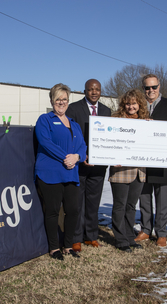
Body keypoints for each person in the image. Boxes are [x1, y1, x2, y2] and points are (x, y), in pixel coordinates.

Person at [35, 83, 87, 260]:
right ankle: (54, 248)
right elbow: (46, 142)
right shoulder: (45, 119)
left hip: (70, 172)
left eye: (64, 99)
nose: (61, 102)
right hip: (50, 172)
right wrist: (67, 157)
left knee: (73, 210)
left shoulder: (74, 124)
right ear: (52, 100)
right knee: (53, 211)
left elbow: (82, 146)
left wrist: (77, 157)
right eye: (58, 99)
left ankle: (68, 245)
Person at [135, 74, 167, 247]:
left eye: (154, 87)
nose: (151, 91)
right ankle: (146, 230)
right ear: (143, 89)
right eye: (147, 88)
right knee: (144, 197)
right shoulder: (138, 105)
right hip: (142, 160)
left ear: (159, 87)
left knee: (162, 199)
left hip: (162, 159)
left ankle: (161, 232)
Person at [65, 79, 112, 252]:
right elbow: (70, 135)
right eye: (90, 89)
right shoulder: (74, 109)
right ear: (85, 91)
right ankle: (76, 238)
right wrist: (80, 155)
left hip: (99, 167)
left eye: (97, 89)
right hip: (79, 165)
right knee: (77, 203)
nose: (94, 92)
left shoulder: (107, 111)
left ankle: (91, 236)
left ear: (101, 91)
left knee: (93, 202)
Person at [109, 89, 149, 252]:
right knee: (120, 205)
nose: (131, 107)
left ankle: (129, 237)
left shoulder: (146, 122)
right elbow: (107, 143)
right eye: (128, 103)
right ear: (123, 104)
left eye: (134, 103)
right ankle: (120, 240)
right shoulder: (115, 120)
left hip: (139, 171)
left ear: (139, 104)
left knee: (131, 206)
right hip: (120, 171)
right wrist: (112, 157)